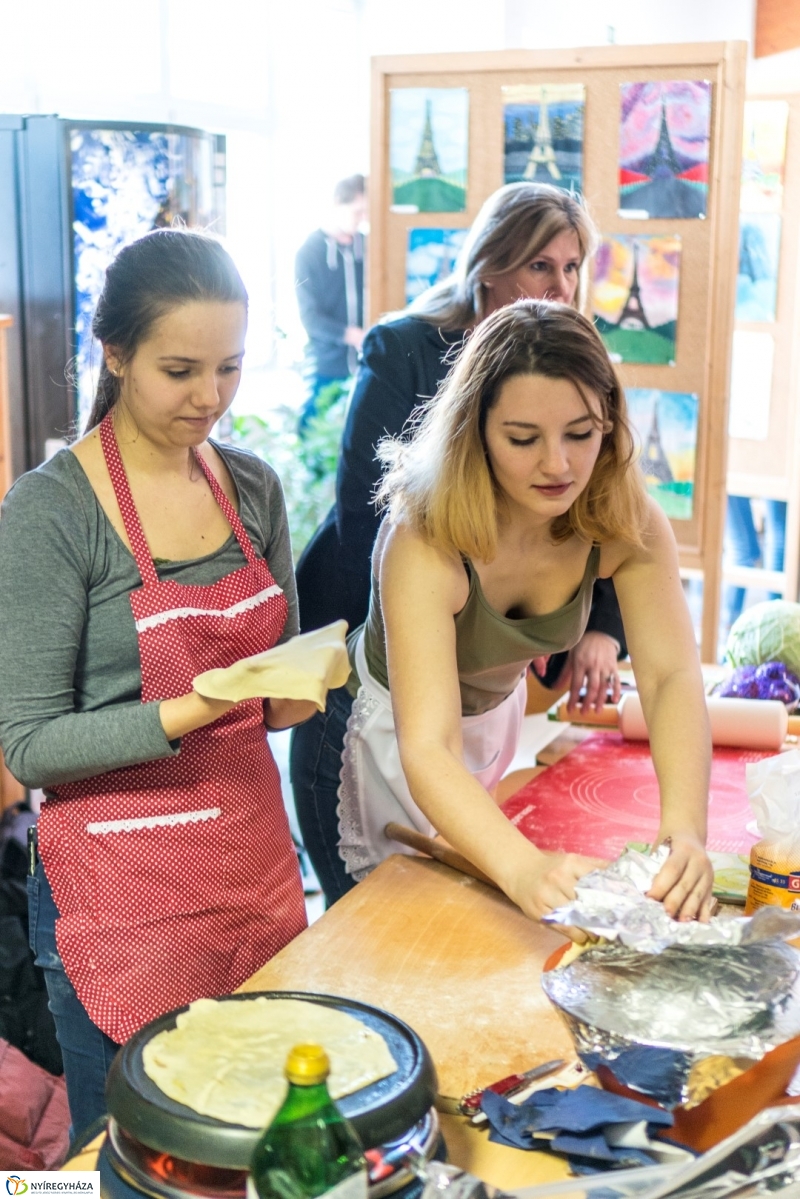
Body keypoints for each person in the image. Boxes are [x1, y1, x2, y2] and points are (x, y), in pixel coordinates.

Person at [0, 229, 317, 1138]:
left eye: (230, 367)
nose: (209, 398)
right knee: (127, 1158)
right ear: (114, 352)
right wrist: (201, 702)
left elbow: (280, 696)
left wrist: (307, 683)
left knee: (249, 1133)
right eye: (180, 369)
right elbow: (28, 745)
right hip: (117, 903)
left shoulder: (251, 489)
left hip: (251, 868)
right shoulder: (53, 511)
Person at [300, 300, 714, 924]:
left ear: (610, 421)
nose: (558, 465)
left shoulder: (626, 518)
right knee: (388, 936)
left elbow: (669, 678)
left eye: (581, 433)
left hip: (483, 730)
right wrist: (521, 867)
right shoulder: (426, 536)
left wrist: (685, 830)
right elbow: (429, 748)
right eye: (524, 439)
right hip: (373, 736)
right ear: (476, 431)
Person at [292, 183, 628, 901]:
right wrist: (469, 608)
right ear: (488, 264)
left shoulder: (571, 364)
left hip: (471, 700)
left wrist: (590, 620)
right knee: (378, 919)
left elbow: (596, 506)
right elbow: (366, 513)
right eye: (542, 267)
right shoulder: (404, 348)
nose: (562, 287)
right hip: (367, 663)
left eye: (573, 268)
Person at [295, 174, 367, 429]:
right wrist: (352, 336)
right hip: (326, 364)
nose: (363, 219)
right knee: (312, 432)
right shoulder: (309, 251)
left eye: (367, 212)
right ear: (338, 203)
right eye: (358, 211)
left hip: (364, 363)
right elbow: (310, 318)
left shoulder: (369, 247)